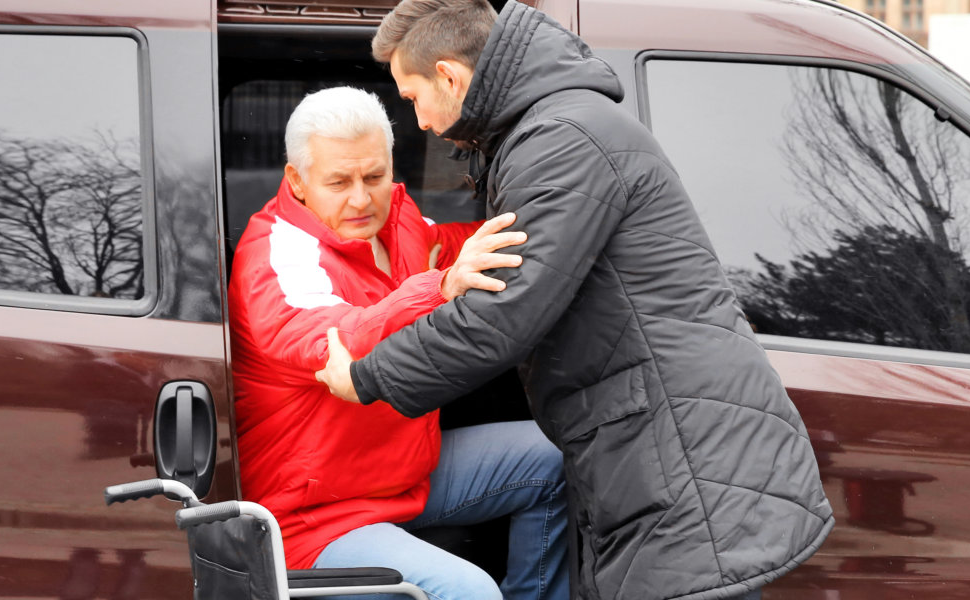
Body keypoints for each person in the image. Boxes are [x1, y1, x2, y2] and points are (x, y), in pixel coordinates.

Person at [311, 2, 833, 599]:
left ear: (451, 78)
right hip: (658, 452)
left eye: (412, 97)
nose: (421, 121)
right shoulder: (548, 130)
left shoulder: (561, 140)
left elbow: (506, 313)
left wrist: (369, 375)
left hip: (682, 459)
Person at [228, 86, 570, 600]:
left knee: (555, 457)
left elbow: (478, 245)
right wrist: (440, 287)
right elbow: (337, 341)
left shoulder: (402, 225)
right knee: (469, 591)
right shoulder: (277, 254)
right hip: (314, 516)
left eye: (375, 176)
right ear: (297, 181)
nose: (362, 199)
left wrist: (571, 218)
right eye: (339, 182)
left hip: (402, 476)